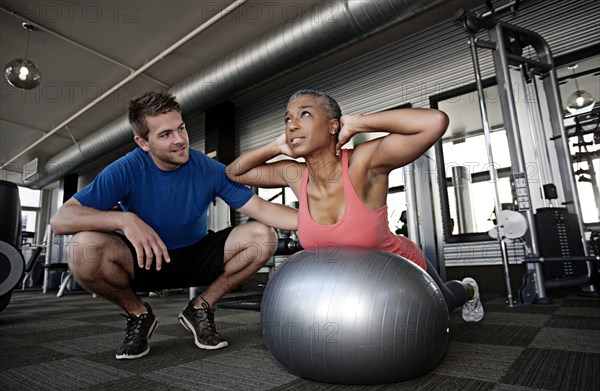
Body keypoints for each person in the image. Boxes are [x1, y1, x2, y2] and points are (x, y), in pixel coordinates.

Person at [50, 91, 298, 360]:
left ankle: (201, 307)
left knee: (263, 235)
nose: (180, 140)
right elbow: (61, 220)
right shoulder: (126, 169)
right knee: (81, 248)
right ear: (143, 142)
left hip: (196, 254)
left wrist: (325, 222)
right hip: (145, 259)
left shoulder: (207, 168)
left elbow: (261, 208)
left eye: (180, 128)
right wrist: (123, 219)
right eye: (165, 134)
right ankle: (138, 314)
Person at [226, 89, 483, 322]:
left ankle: (468, 288)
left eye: (304, 114)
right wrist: (275, 147)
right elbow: (235, 173)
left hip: (400, 269)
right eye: (287, 119)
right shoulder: (294, 175)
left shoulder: (363, 163)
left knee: (444, 305)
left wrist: (359, 122)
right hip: (351, 286)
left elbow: (435, 122)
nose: (292, 125)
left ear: (332, 125)